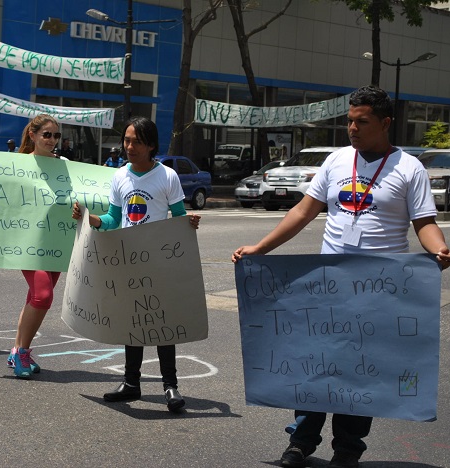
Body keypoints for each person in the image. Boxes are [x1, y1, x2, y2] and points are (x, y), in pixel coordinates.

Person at [231, 86, 450, 468]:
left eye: (361, 122)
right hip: (327, 285)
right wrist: (260, 248)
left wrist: (439, 249)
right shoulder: (335, 161)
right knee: (316, 363)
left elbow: (424, 222)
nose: (352, 128)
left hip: (377, 291)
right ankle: (301, 441)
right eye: (349, 120)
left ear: (385, 123)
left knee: (358, 373)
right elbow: (302, 212)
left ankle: (348, 449)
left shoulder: (409, 168)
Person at [72, 116, 201, 412]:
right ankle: (131, 383)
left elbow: (179, 217)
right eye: (127, 140)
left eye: (136, 142)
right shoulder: (120, 176)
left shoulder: (167, 176)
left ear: (151, 145)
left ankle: (170, 386)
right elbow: (113, 220)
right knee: (134, 321)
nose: (129, 146)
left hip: (159, 260)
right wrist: (87, 217)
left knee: (161, 322)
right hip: (129, 259)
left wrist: (189, 222)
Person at [0, 114, 63, 378]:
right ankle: (22, 353)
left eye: (56, 135)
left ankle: (17, 350)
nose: (52, 140)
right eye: (47, 135)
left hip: (54, 241)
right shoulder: (16, 164)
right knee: (43, 295)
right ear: (33, 135)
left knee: (36, 295)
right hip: (25, 242)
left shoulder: (63, 166)